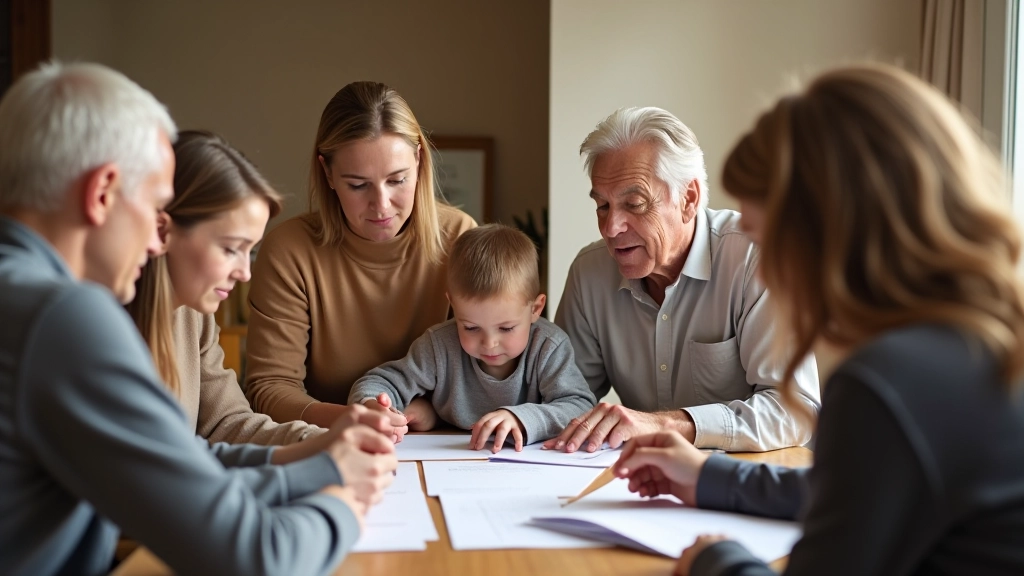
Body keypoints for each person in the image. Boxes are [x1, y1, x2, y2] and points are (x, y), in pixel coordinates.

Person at [614, 63, 1024, 576]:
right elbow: (861, 488)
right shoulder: (976, 342)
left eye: (765, 242)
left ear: (828, 234)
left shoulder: (888, 383)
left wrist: (714, 561)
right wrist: (709, 476)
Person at [0, 62, 397, 576]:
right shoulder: (62, 317)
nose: (154, 240)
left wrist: (318, 463)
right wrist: (346, 501)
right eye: (155, 207)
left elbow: (181, 459)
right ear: (102, 193)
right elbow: (258, 557)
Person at [546, 107, 820, 454]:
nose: (611, 228)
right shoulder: (589, 273)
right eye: (602, 205)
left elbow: (794, 411)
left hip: (744, 484)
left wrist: (670, 424)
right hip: (640, 484)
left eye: (635, 203)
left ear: (688, 199)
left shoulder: (755, 258)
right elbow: (567, 397)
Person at [124, 129, 407, 445]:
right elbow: (164, 470)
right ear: (163, 233)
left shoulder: (193, 313)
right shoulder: (102, 326)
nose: (245, 273)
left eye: (250, 251)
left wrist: (326, 441)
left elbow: (226, 423)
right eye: (231, 248)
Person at [245, 81, 476, 433]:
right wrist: (353, 418)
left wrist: (426, 411)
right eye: (357, 185)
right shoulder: (289, 252)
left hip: (440, 448)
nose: (381, 205)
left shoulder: (460, 237)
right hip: (325, 444)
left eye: (397, 180)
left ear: (419, 159)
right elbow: (269, 388)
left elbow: (492, 368)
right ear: (328, 173)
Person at [349, 224, 597, 452]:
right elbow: (377, 382)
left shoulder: (548, 347)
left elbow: (580, 406)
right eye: (470, 328)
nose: (489, 343)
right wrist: (374, 405)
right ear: (453, 306)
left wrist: (521, 419)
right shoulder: (439, 346)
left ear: (535, 308)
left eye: (507, 328)